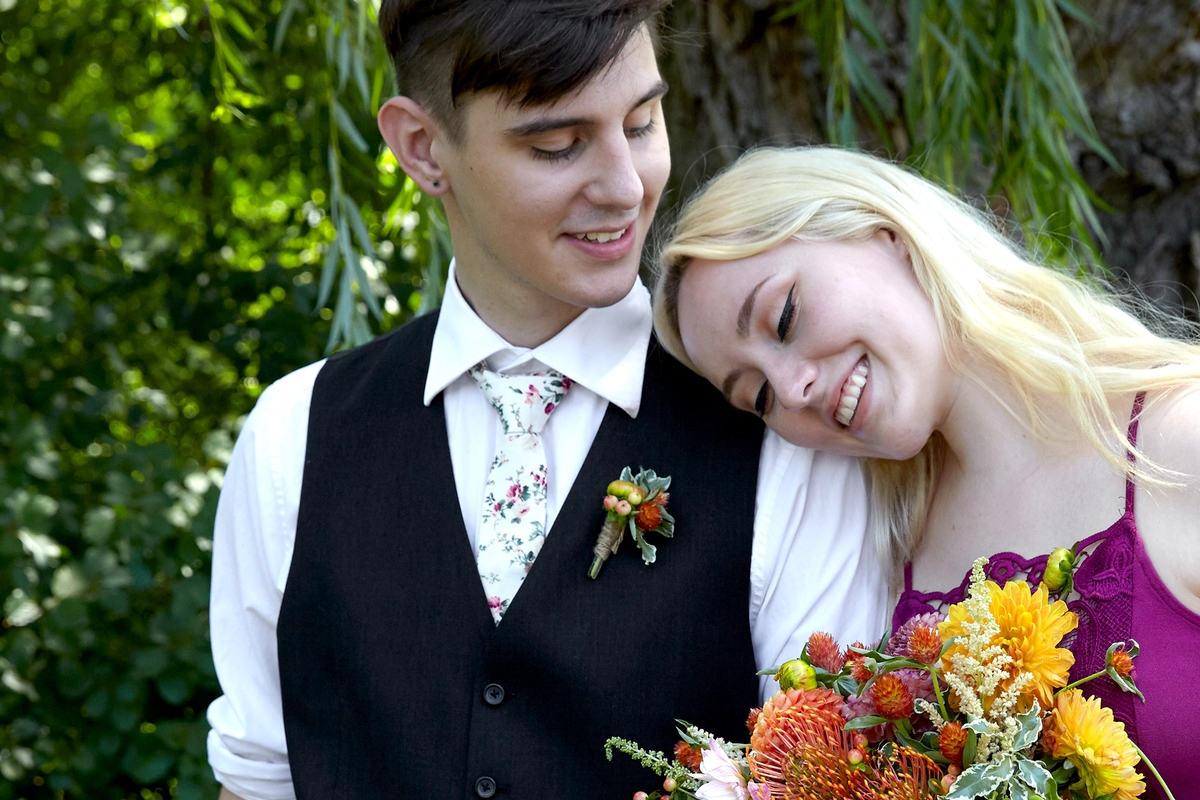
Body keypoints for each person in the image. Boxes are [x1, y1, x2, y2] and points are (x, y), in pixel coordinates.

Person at [205, 7, 887, 799]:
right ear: (423, 148)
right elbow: (258, 778)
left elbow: (827, 773)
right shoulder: (295, 433)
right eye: (557, 146)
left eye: (640, 123)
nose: (626, 189)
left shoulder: (778, 430)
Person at [653, 145, 1200, 797]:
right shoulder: (880, 571)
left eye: (784, 317)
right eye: (759, 398)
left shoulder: (1179, 440)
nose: (793, 388)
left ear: (886, 234)